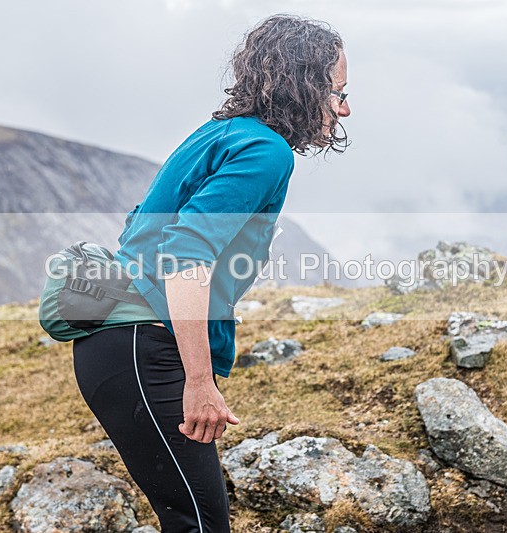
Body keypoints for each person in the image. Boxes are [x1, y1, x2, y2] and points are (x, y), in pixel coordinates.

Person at [72, 13, 351, 533]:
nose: (345, 107)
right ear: (304, 85)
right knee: (199, 523)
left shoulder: (220, 134)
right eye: (338, 91)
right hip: (144, 345)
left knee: (192, 519)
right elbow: (185, 252)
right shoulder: (266, 151)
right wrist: (199, 381)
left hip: (120, 344)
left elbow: (142, 228)